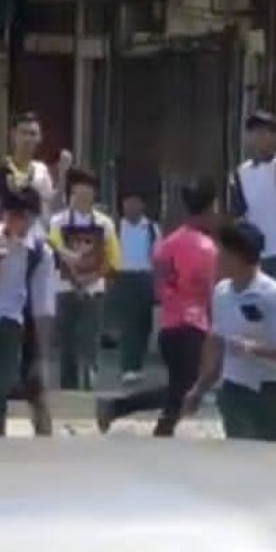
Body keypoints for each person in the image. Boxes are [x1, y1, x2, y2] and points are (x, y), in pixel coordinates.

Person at [98, 177, 219, 437]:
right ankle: (122, 408)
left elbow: (159, 284)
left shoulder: (168, 243)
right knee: (185, 387)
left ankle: (162, 426)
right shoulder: (207, 248)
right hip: (193, 324)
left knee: (180, 385)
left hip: (170, 324)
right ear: (209, 209)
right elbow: (209, 292)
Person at [183, 220, 276, 442]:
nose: (217, 259)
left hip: (275, 392)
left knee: (272, 465)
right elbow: (218, 344)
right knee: (240, 460)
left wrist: (253, 349)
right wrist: (199, 389)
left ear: (240, 257)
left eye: (224, 253)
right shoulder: (221, 293)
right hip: (235, 389)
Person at [0, 188, 56, 437]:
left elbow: (42, 305)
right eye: (13, 215)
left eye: (25, 217)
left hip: (10, 323)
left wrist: (43, 354)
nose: (18, 223)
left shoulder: (39, 252)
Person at [50, 169, 120, 391]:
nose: (83, 198)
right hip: (64, 288)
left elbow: (113, 259)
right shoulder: (58, 221)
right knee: (66, 344)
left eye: (88, 194)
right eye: (78, 194)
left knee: (89, 341)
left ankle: (89, 388)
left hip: (94, 290)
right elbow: (56, 251)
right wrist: (75, 281)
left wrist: (92, 278)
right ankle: (67, 389)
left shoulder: (105, 224)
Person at [228, 112, 276, 295]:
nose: (259, 139)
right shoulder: (242, 172)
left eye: (265, 133)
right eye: (254, 133)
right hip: (256, 255)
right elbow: (238, 213)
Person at [112, 188, 160, 383]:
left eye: (135, 202)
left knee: (144, 323)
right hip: (124, 277)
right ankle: (128, 366)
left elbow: (158, 255)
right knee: (128, 323)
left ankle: (138, 364)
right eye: (127, 202)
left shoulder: (151, 228)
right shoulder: (116, 227)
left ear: (142, 205)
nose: (131, 206)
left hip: (145, 277)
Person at [0, 113, 56, 219]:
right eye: (23, 133)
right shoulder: (0, 173)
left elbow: (49, 209)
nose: (27, 139)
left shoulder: (42, 171)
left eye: (32, 134)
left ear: (39, 138)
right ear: (13, 135)